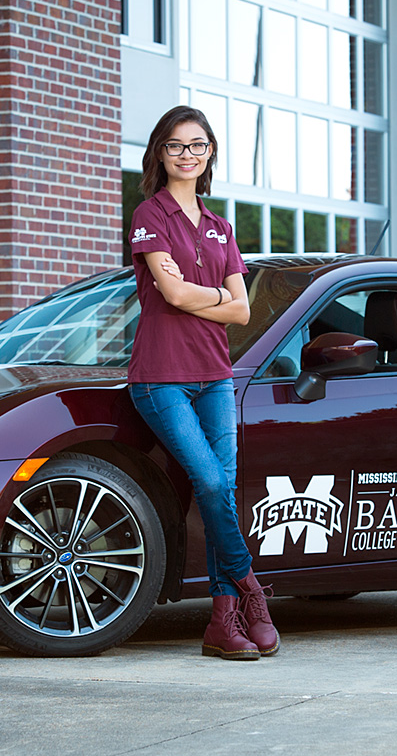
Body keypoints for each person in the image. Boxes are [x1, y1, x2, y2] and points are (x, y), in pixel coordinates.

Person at [126, 106, 279, 660]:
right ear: (159, 154)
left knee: (223, 497)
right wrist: (216, 296)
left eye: (197, 145)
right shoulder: (150, 215)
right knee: (211, 487)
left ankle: (222, 622)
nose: (186, 154)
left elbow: (243, 313)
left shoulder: (221, 227)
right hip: (161, 379)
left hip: (216, 378)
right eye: (175, 145)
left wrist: (204, 295)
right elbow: (174, 296)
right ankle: (253, 593)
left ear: (210, 152)